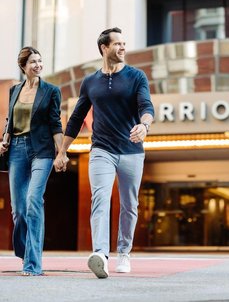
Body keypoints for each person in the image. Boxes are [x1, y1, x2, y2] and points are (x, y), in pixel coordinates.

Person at [54, 26, 154, 279]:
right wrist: (62, 151)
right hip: (101, 149)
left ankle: (124, 252)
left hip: (132, 150)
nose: (122, 47)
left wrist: (144, 125)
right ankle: (100, 253)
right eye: (117, 44)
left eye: (124, 43)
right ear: (104, 48)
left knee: (130, 204)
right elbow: (76, 118)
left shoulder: (136, 76)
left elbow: (146, 105)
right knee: (100, 198)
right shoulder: (90, 82)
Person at [0, 46, 64, 276]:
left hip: (42, 151)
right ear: (23, 67)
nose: (38, 65)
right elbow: (10, 119)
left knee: (33, 201)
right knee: (18, 209)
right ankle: (26, 250)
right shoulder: (14, 90)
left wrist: (62, 151)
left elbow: (55, 123)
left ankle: (33, 264)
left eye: (40, 60)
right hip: (16, 150)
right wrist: (4, 139)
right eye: (33, 62)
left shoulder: (51, 91)